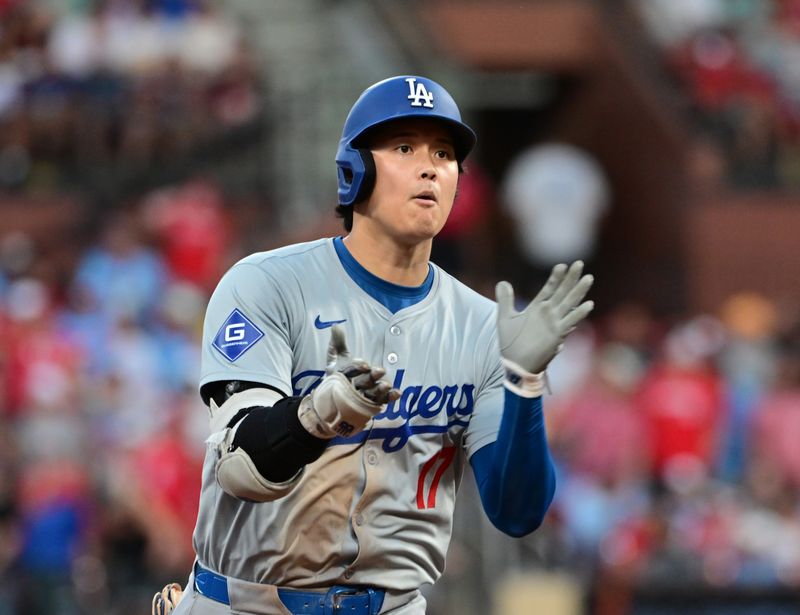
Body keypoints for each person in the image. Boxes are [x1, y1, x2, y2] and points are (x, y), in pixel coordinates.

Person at [152, 75, 594, 615]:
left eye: (445, 153)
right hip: (247, 603)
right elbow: (242, 469)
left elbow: (517, 512)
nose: (430, 166)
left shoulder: (484, 326)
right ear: (353, 170)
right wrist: (316, 415)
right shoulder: (267, 283)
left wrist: (525, 385)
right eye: (404, 147)